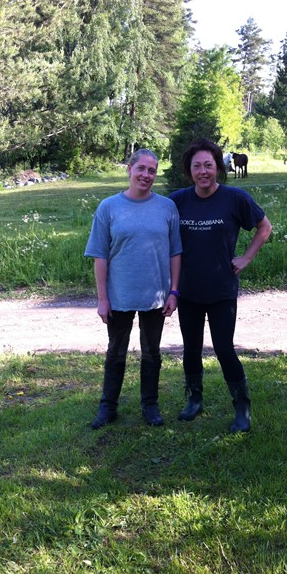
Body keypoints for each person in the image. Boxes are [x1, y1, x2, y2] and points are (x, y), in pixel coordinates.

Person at [169, 138, 272, 433]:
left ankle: (242, 407)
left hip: (221, 290)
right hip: (188, 290)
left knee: (224, 349)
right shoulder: (177, 201)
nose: (203, 171)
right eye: (197, 166)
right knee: (191, 349)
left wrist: (246, 258)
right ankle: (194, 400)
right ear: (189, 170)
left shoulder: (235, 198)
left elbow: (264, 227)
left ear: (218, 167)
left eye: (208, 165)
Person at [85, 149, 182, 428]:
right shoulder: (109, 207)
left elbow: (175, 252)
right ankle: (108, 408)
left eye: (152, 171)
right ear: (129, 169)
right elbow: (100, 256)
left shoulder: (167, 207)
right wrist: (102, 299)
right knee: (116, 352)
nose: (146, 175)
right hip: (119, 296)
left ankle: (150, 406)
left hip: (156, 297)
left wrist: (174, 292)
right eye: (141, 168)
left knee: (152, 353)